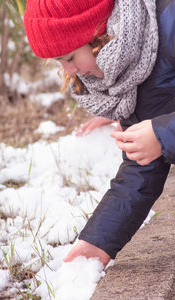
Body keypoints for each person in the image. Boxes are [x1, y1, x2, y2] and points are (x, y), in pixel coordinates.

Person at [24, 0, 175, 268]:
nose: (69, 71)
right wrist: (97, 243)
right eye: (60, 62)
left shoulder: (170, 24)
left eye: (69, 58)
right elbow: (140, 167)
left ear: (96, 32)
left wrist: (163, 134)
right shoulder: (127, 73)